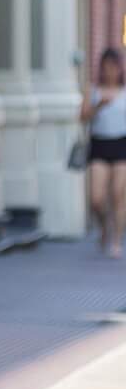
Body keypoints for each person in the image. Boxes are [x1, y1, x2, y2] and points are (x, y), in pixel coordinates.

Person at [81, 47, 126, 258]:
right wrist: (98, 105)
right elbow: (82, 117)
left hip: (121, 145)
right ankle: (104, 226)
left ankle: (116, 240)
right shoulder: (93, 90)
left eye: (114, 67)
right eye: (106, 67)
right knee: (97, 198)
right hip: (99, 144)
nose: (110, 72)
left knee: (118, 194)